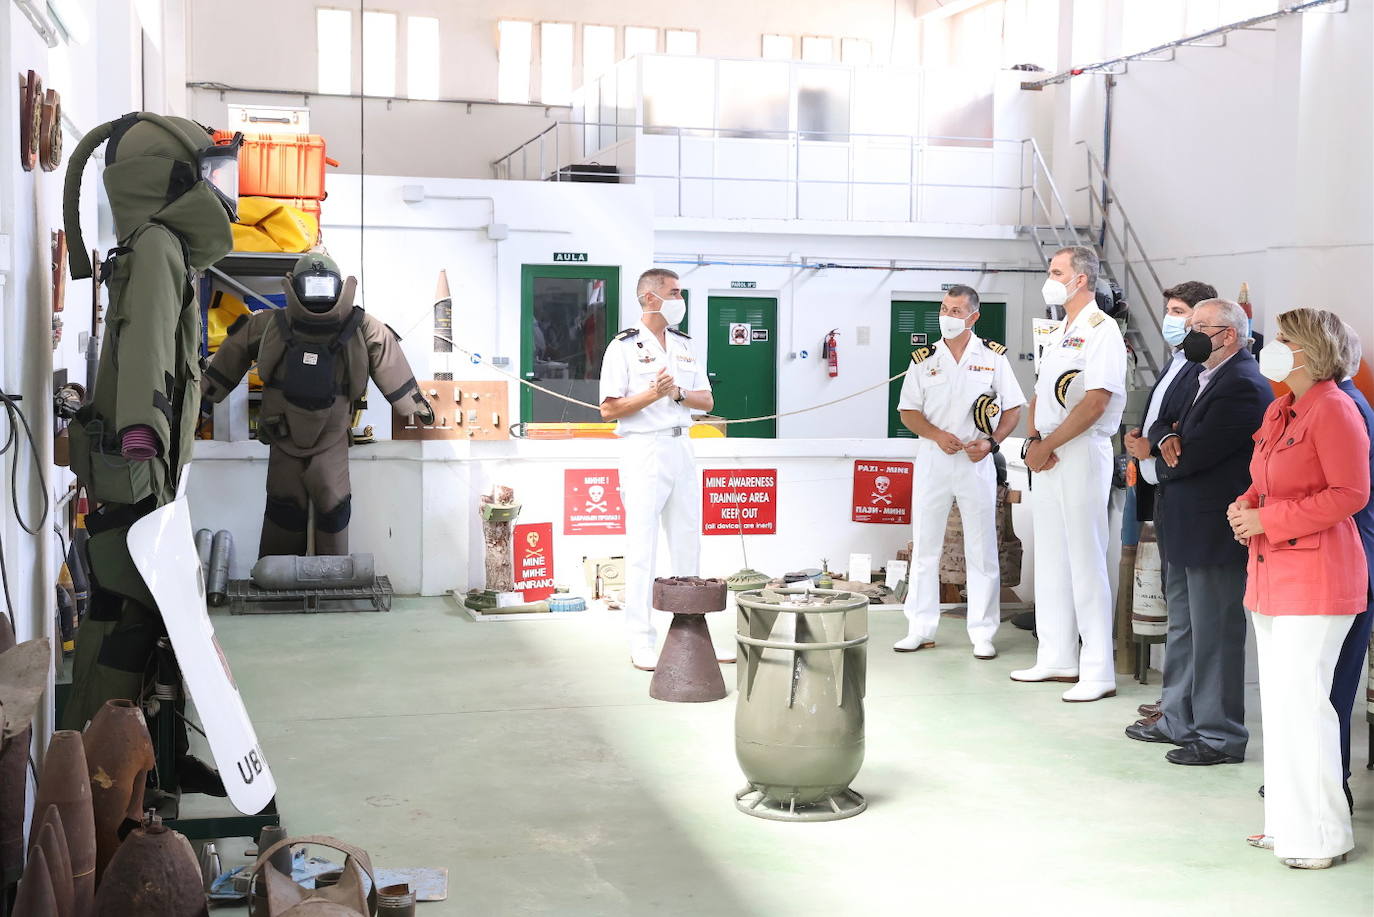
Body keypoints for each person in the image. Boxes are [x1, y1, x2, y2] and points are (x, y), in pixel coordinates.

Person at [1228, 308, 1369, 869]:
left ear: (1309, 351)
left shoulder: (1335, 409)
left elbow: (1350, 493)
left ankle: (1321, 836)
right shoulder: (1282, 407)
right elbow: (1267, 478)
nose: (1274, 346)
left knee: (1308, 704)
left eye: (1283, 339)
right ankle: (1286, 823)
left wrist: (1271, 520)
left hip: (1317, 578)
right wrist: (1248, 504)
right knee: (1282, 705)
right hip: (1271, 578)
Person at [202, 253, 434, 557]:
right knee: (286, 507)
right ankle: (280, 577)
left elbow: (386, 355)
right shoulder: (273, 325)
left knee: (332, 506)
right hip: (288, 434)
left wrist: (412, 404)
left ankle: (328, 576)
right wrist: (203, 397)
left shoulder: (359, 326)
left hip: (329, 435)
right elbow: (232, 353)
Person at [1124, 299, 1270, 765]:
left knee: (1216, 633)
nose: (1189, 334)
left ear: (1227, 334)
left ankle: (1220, 735)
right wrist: (1163, 439)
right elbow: (1167, 424)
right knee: (1184, 627)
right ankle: (1179, 718)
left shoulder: (1243, 384)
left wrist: (1159, 453)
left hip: (1214, 527)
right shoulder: (1199, 373)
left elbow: (1197, 453)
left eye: (1198, 326)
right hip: (1183, 521)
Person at [1016, 246, 1127, 702]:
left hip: (1079, 451)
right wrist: (1033, 443)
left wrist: (1049, 444)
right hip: (1047, 454)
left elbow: (1096, 400)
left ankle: (1097, 668)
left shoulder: (1103, 331)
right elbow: (1041, 392)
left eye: (1056, 271)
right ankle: (1056, 655)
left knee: (1084, 559)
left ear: (1081, 280)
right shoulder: (1059, 330)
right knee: (1052, 558)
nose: (1050, 278)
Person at [892, 285, 1025, 659]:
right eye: (945, 309)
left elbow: (1014, 408)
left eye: (956, 311)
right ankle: (920, 627)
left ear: (973, 317)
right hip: (934, 460)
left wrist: (992, 442)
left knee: (982, 548)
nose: (948, 317)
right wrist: (935, 434)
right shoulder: (923, 360)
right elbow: (908, 411)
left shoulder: (994, 359)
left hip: (976, 461)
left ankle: (982, 632)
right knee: (925, 546)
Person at [599, 269, 714, 671]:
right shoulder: (623, 347)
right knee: (642, 547)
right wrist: (654, 393)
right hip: (643, 449)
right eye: (674, 292)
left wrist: (678, 393)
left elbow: (707, 401)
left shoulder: (685, 345)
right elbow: (609, 408)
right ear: (650, 298)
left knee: (687, 541)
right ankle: (640, 639)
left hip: (681, 444)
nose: (679, 298)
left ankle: (690, 632)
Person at [1123, 281, 1213, 724]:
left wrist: (1153, 446)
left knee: (1189, 617)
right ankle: (1175, 700)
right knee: (1177, 612)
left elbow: (1182, 429)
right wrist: (1140, 439)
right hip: (1160, 489)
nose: (1171, 320)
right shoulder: (1176, 361)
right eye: (1171, 311)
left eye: (1181, 312)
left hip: (1185, 495)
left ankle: (1183, 704)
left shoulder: (1203, 371)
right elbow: (1162, 420)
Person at [1327, 326, 1373, 808]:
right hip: (1338, 560)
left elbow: (1348, 497)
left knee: (1334, 684)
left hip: (1351, 562)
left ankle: (1331, 783)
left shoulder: (1346, 409)